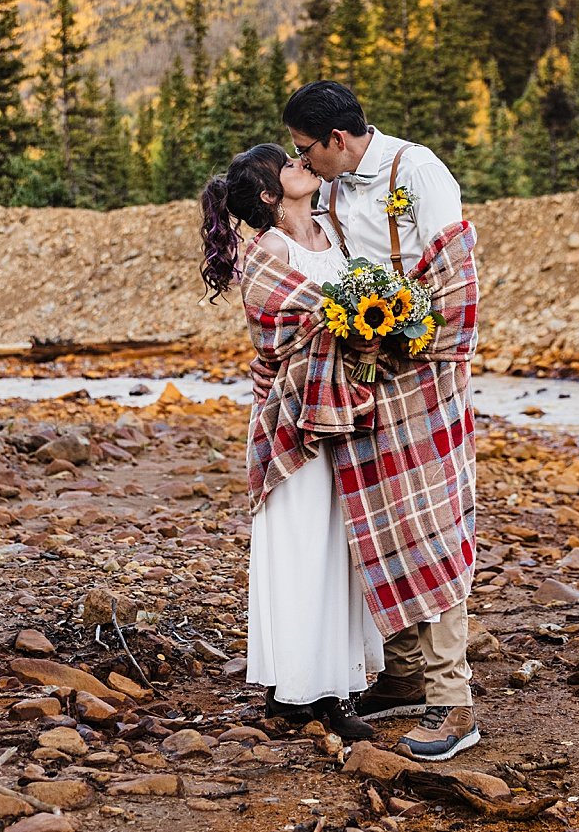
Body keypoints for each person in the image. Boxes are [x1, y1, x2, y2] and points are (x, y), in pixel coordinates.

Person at [282, 80, 482, 762]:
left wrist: (399, 334)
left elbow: (455, 279)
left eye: (307, 150)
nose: (302, 162)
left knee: (432, 526)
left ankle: (453, 701)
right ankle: (399, 672)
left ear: (338, 140)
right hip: (360, 382)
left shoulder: (418, 172)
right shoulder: (330, 190)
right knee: (372, 521)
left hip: (425, 378)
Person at [200, 144, 380, 741]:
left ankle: (332, 678)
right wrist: (341, 324)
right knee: (305, 546)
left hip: (343, 410)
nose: (302, 163)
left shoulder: (334, 230)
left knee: (341, 541)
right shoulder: (270, 251)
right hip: (294, 416)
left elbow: (357, 306)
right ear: (272, 198)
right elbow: (273, 331)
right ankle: (311, 689)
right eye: (288, 164)